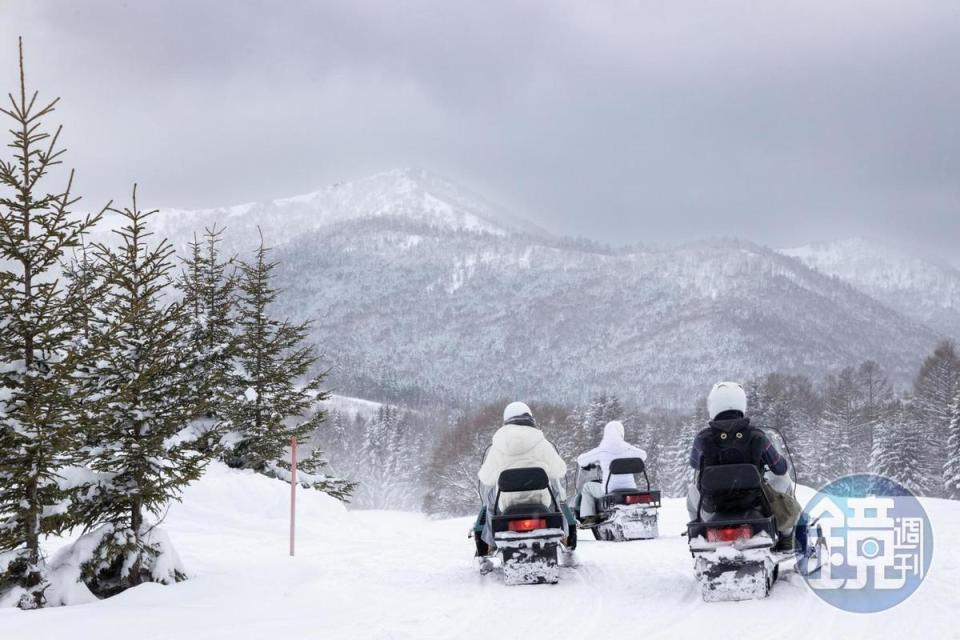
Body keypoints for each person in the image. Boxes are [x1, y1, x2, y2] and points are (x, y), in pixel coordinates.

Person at [686, 381, 802, 550]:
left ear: (713, 406)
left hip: (714, 504)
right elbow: (780, 468)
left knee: (691, 493)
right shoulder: (757, 436)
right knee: (783, 481)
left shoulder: (702, 439)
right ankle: (786, 536)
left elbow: (695, 464)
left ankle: (701, 531)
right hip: (753, 501)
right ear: (741, 403)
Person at [475, 402, 568, 555]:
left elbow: (485, 479)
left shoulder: (497, 445)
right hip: (541, 500)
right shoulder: (542, 442)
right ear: (530, 417)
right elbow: (560, 471)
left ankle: (491, 543)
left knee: (489, 499)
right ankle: (563, 534)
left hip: (507, 502)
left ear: (506, 420)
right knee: (557, 493)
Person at [575, 421, 647, 525]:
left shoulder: (602, 449)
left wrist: (591, 462)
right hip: (631, 488)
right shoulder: (628, 448)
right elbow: (644, 455)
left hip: (610, 489)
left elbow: (581, 460)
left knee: (587, 487)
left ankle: (589, 517)